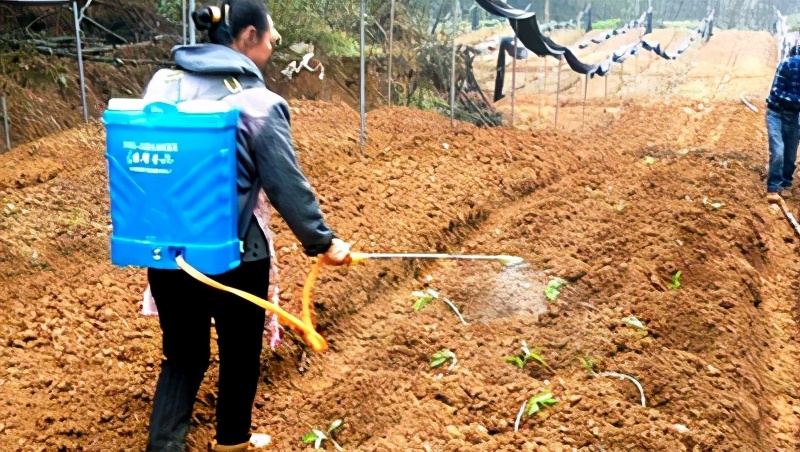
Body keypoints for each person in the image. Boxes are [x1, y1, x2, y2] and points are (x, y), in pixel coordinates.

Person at [140, 1, 351, 450]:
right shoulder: (259, 102)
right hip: (237, 254)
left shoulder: (163, 84)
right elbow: (285, 184)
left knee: (182, 357)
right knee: (240, 356)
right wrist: (323, 242)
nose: (274, 48)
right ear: (249, 36)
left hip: (167, 250)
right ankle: (232, 442)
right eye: (272, 40)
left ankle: (163, 447)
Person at [766, 40, 800, 202]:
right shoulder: (788, 65)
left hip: (794, 115)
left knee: (790, 156)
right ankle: (773, 187)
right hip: (776, 113)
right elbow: (776, 91)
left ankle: (786, 183)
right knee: (778, 152)